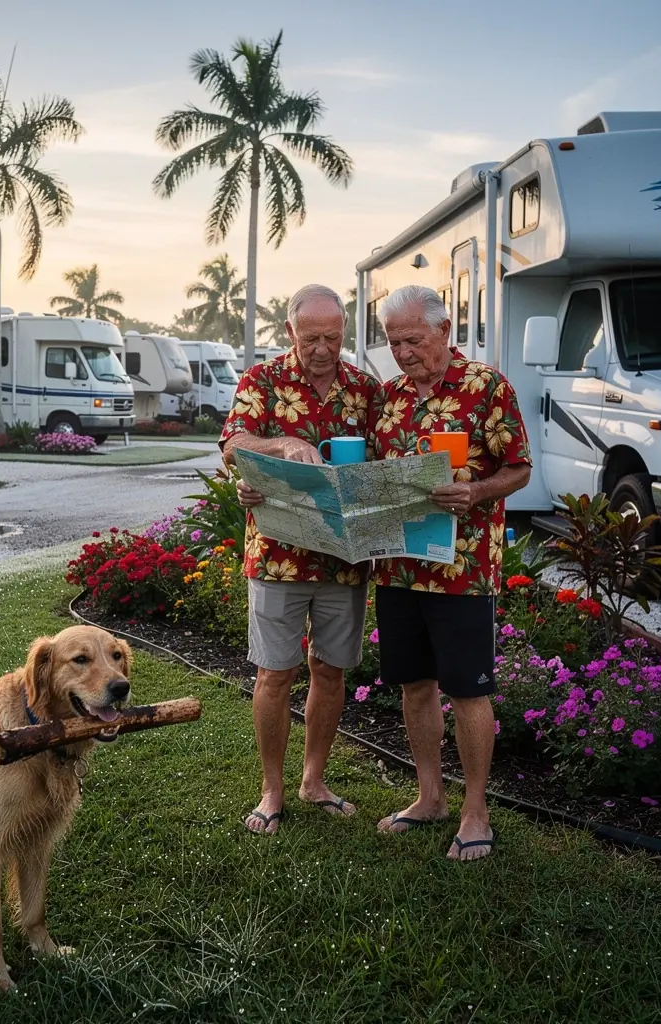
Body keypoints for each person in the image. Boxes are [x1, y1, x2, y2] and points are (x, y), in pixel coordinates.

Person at [370, 284, 531, 861]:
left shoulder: (487, 387)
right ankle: (431, 796)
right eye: (394, 342)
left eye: (413, 339)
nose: (404, 352)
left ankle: (476, 810)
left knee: (467, 689)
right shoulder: (386, 397)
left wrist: (477, 491)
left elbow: (519, 468)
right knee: (414, 684)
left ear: (444, 330)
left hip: (463, 571)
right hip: (395, 566)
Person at [219, 283, 384, 834]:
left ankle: (314, 780)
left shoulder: (365, 388)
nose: (322, 347)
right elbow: (233, 444)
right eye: (311, 336)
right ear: (289, 332)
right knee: (274, 674)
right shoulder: (262, 381)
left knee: (330, 673)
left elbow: (388, 458)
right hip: (278, 558)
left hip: (344, 558)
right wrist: (282, 445)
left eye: (332, 337)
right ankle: (272, 790)